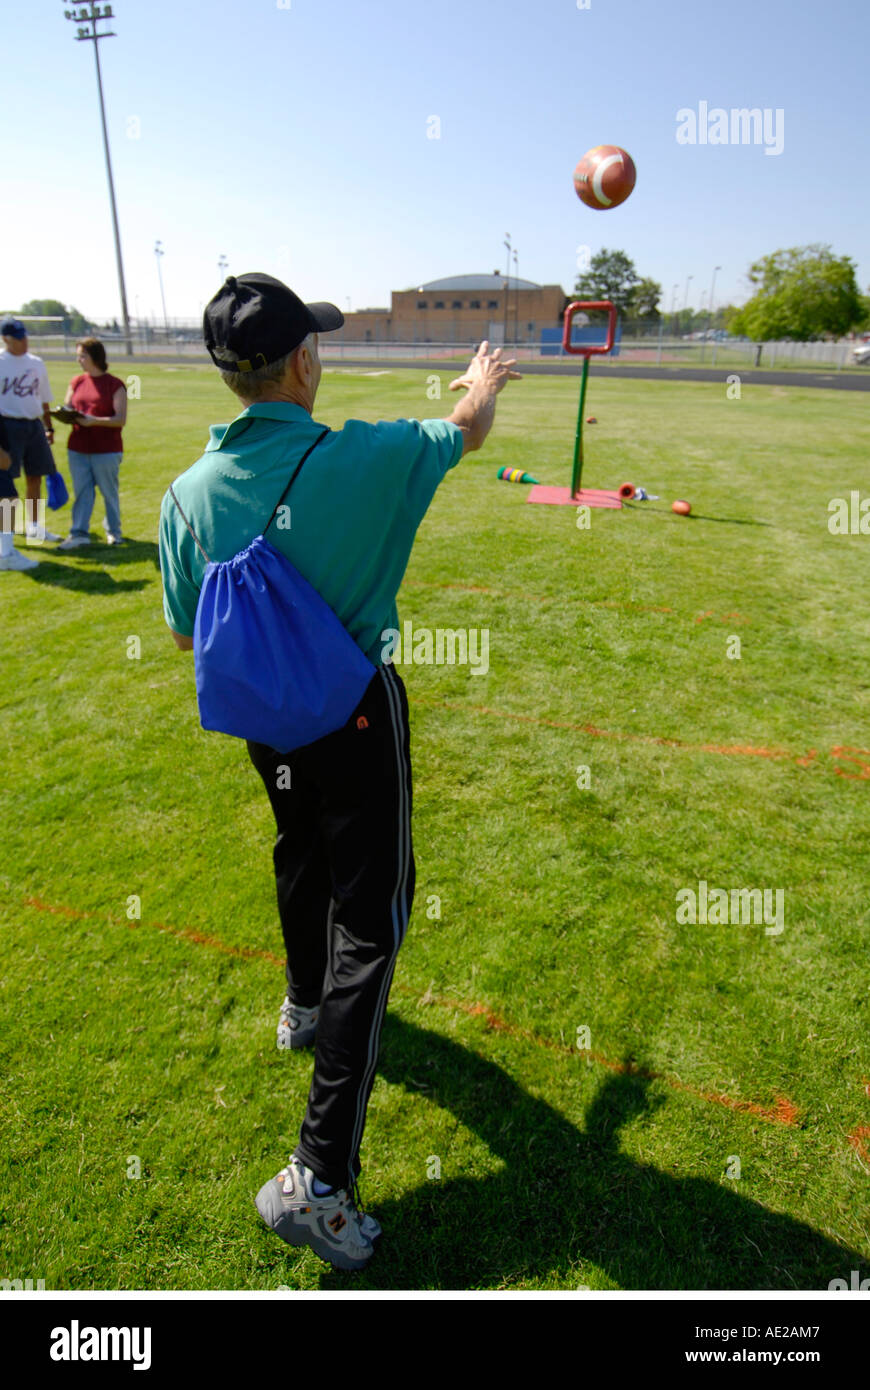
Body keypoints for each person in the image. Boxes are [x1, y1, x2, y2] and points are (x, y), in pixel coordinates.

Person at [158, 273, 519, 1271]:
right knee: (374, 917)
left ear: (230, 376)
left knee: (296, 849)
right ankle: (318, 1180)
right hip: (354, 716)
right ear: (304, 362)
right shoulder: (373, 452)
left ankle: (301, 1002)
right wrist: (481, 375)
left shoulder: (185, 493)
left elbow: (189, 628)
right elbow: (469, 429)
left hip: (265, 728)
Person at [0, 316, 61, 565]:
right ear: (6, 339)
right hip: (6, 425)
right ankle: (7, 542)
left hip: (33, 424)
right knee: (5, 485)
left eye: (25, 336)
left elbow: (43, 397)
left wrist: (48, 426)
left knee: (36, 476)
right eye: (18, 338)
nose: (24, 341)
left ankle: (35, 526)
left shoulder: (36, 363)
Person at [57, 338, 128, 549]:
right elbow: (68, 406)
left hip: (106, 449)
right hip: (78, 447)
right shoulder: (77, 381)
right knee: (82, 492)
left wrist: (94, 421)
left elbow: (120, 419)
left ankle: (114, 532)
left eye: (82, 355)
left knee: (109, 492)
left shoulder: (115, 385)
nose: (79, 360)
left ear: (95, 357)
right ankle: (79, 533)